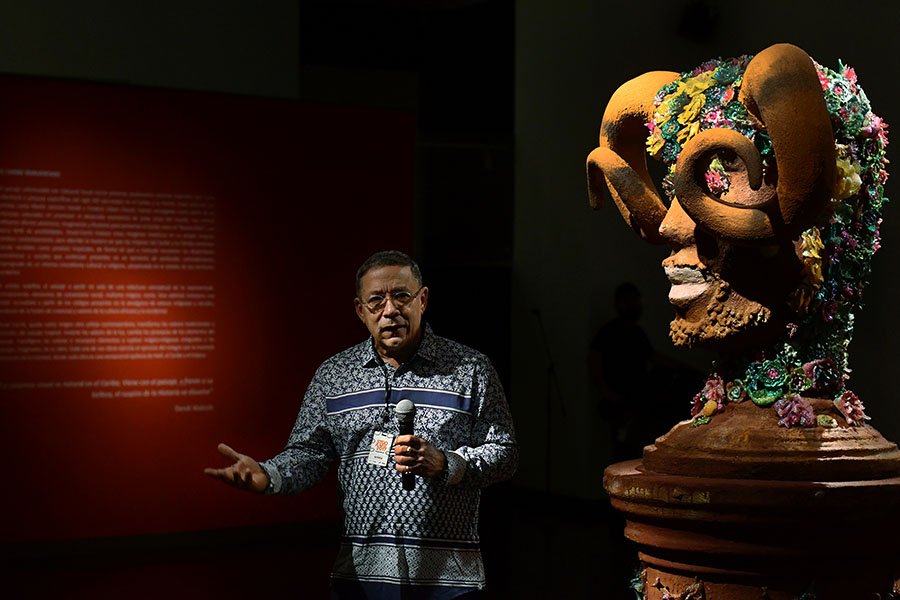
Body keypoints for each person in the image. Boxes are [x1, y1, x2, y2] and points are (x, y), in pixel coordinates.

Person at [205, 250, 518, 599]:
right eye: (376, 301)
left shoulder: (470, 369)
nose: (390, 310)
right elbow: (309, 453)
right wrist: (268, 475)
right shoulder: (334, 375)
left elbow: (505, 454)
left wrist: (447, 464)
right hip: (361, 578)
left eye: (402, 296)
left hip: (447, 580)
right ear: (360, 310)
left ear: (423, 300)